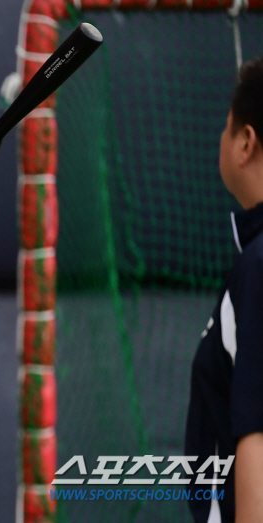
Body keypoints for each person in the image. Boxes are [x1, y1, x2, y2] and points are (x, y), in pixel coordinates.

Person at [185, 56, 263, 523]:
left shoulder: (259, 267)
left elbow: (257, 433)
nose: (221, 138)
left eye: (227, 127)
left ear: (245, 143)